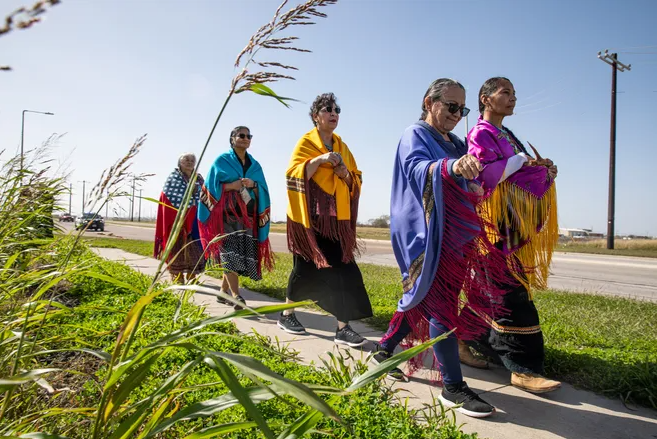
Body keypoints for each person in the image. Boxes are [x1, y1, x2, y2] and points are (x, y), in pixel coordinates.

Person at [375, 78, 515, 418]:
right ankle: (453, 387)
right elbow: (416, 169)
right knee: (442, 308)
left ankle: (383, 352)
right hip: (427, 235)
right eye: (451, 106)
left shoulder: (454, 142)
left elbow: (475, 177)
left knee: (422, 300)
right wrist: (451, 167)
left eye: (462, 109)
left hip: (455, 236)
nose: (457, 114)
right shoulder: (416, 135)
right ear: (429, 102)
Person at [465, 77, 561, 394]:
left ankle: (461, 340)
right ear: (485, 99)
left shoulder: (507, 134)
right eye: (505, 92)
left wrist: (542, 170)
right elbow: (488, 173)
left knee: (489, 291)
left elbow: (516, 174)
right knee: (513, 295)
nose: (513, 98)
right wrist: (523, 161)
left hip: (512, 226)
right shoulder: (480, 133)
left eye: (514, 93)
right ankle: (523, 368)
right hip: (494, 228)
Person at [281, 92, 373, 348]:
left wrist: (344, 174)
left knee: (345, 270)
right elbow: (292, 176)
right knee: (304, 270)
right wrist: (319, 160)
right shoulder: (305, 144)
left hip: (336, 222)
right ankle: (286, 314)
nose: (334, 113)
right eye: (327, 109)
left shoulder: (343, 147)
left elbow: (355, 180)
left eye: (337, 110)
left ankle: (343, 328)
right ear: (315, 116)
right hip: (309, 221)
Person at [198, 126, 274, 310]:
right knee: (229, 255)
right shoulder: (221, 161)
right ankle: (236, 296)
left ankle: (223, 292)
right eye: (242, 135)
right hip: (225, 217)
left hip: (246, 218)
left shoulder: (255, 166)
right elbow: (210, 187)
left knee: (236, 256)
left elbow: (262, 190)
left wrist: (253, 184)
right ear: (232, 138)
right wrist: (231, 186)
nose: (246, 138)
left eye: (249, 136)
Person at [154, 153, 206, 284]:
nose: (189, 162)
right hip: (177, 220)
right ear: (179, 162)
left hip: (196, 218)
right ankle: (177, 276)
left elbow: (206, 195)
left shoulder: (199, 179)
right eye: (186, 160)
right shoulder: (174, 178)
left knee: (196, 247)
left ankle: (191, 275)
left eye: (192, 160)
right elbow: (167, 197)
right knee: (177, 247)